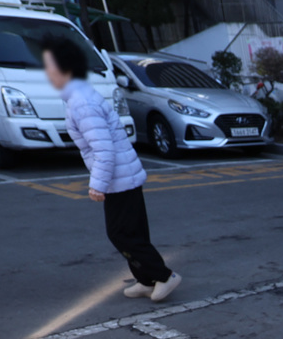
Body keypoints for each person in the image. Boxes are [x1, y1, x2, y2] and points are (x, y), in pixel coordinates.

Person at [41, 35, 180, 301]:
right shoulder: (79, 97)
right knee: (131, 233)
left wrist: (97, 185)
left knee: (121, 234)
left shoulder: (82, 103)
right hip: (122, 177)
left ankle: (164, 276)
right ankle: (146, 279)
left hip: (119, 179)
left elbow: (104, 149)